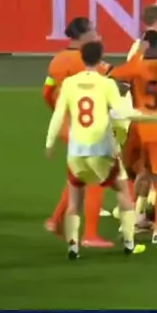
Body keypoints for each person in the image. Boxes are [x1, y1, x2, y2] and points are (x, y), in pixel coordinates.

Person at [44, 41, 157, 259]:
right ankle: (129, 243)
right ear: (100, 59)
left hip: (75, 152)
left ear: (82, 58)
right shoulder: (106, 84)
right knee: (123, 191)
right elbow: (122, 112)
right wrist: (151, 117)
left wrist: (49, 143)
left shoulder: (69, 83)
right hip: (100, 150)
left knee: (74, 200)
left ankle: (73, 247)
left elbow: (59, 114)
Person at [110, 31, 157, 244]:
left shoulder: (135, 66)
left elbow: (114, 77)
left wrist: (137, 58)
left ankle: (129, 223)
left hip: (137, 127)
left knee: (139, 175)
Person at [42, 16, 113, 247]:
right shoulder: (85, 60)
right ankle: (90, 234)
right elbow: (112, 78)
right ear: (83, 35)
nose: (97, 34)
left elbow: (46, 92)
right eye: (93, 30)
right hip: (85, 126)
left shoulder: (57, 60)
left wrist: (60, 114)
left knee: (77, 176)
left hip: (67, 125)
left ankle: (55, 220)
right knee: (96, 177)